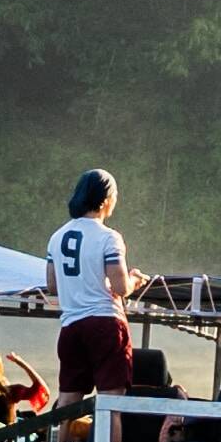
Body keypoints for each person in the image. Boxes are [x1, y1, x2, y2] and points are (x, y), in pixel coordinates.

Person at [47, 168, 138, 417]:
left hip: (71, 325)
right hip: (105, 325)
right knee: (111, 403)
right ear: (106, 199)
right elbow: (121, 288)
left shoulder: (57, 237)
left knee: (67, 402)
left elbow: (52, 286)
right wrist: (134, 280)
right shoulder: (109, 237)